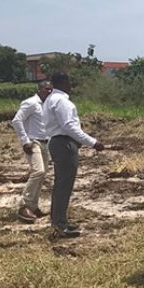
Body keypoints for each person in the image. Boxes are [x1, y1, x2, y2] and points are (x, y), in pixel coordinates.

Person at [43, 73, 105, 237]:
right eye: (69, 81)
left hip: (57, 142)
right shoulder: (62, 101)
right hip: (64, 143)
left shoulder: (50, 99)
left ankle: (59, 220)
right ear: (63, 82)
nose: (71, 84)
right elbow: (69, 126)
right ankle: (60, 225)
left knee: (61, 184)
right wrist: (92, 142)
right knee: (64, 185)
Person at [11, 81, 54, 223]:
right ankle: (24, 205)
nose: (49, 92)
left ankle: (33, 206)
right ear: (40, 89)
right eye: (47, 89)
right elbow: (17, 120)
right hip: (33, 142)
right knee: (38, 171)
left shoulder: (48, 106)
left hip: (45, 143)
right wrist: (25, 141)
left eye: (51, 90)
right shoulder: (30, 103)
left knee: (42, 175)